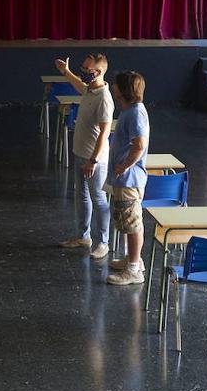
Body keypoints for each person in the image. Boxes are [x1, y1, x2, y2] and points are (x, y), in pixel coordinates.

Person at [53, 53, 113, 260]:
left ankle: (103, 242)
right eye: (84, 69)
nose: (84, 73)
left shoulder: (104, 99)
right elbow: (79, 85)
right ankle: (83, 236)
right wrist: (65, 72)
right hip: (81, 155)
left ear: (99, 72)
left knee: (98, 198)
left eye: (88, 70)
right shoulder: (90, 90)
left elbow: (105, 133)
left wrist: (93, 160)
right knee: (82, 196)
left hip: (94, 159)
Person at [105, 71, 150, 286]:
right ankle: (132, 259)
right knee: (128, 221)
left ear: (124, 91)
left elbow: (139, 145)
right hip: (127, 179)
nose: (113, 87)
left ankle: (133, 269)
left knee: (132, 224)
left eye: (116, 86)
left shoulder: (134, 113)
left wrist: (123, 166)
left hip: (129, 180)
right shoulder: (131, 110)